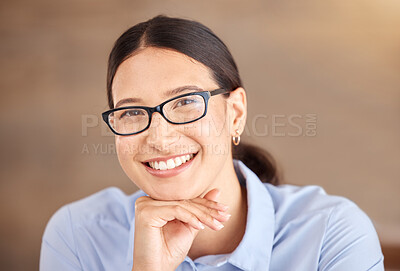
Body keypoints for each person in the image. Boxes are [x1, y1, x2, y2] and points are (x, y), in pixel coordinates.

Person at [40, 15, 384, 271]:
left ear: (235, 113)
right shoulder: (78, 235)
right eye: (131, 112)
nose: (159, 137)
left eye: (186, 102)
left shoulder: (330, 234)